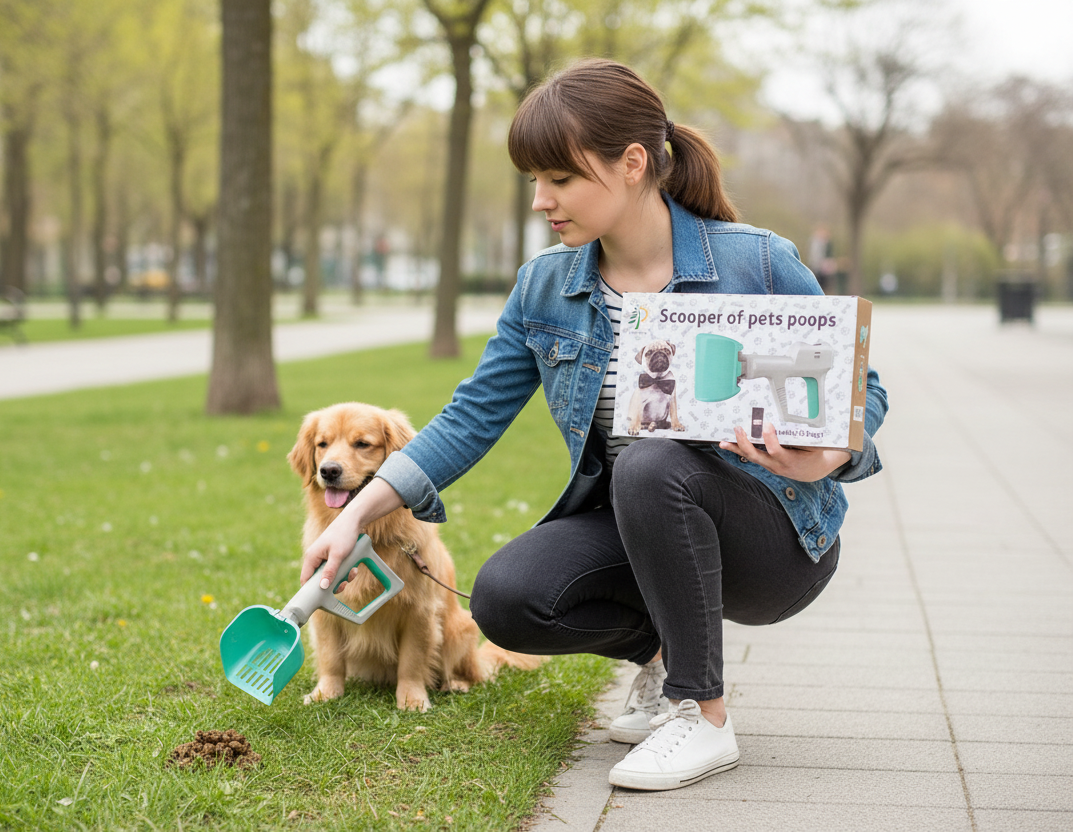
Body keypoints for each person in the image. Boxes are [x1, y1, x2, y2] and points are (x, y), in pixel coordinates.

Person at [300, 58, 888, 792]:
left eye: (562, 179)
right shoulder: (545, 284)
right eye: (534, 182)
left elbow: (862, 392)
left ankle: (700, 717)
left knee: (650, 459)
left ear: (633, 163)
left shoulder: (758, 262)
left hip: (774, 540)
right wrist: (354, 515)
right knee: (506, 597)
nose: (543, 200)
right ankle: (665, 656)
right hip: (647, 525)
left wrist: (824, 459)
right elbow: (471, 416)